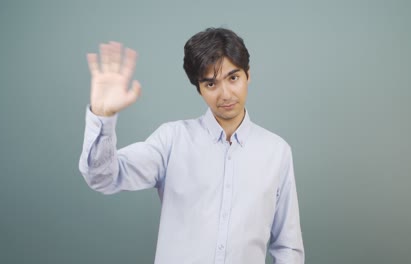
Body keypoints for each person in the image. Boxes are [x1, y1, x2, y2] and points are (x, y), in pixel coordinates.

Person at [79, 27, 304, 264]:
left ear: (248, 74)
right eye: (211, 84)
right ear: (199, 88)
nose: (225, 94)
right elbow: (103, 177)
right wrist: (102, 118)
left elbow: (288, 246)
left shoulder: (277, 152)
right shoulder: (171, 140)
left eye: (233, 77)